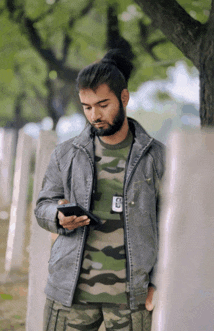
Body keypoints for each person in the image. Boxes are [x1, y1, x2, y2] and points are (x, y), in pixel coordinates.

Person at [35, 49, 165, 331]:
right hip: (70, 295)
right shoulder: (66, 154)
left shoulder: (157, 157)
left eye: (103, 104)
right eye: (87, 106)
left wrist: (159, 283)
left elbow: (172, 228)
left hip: (132, 301)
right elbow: (43, 205)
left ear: (124, 98)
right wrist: (57, 216)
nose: (95, 115)